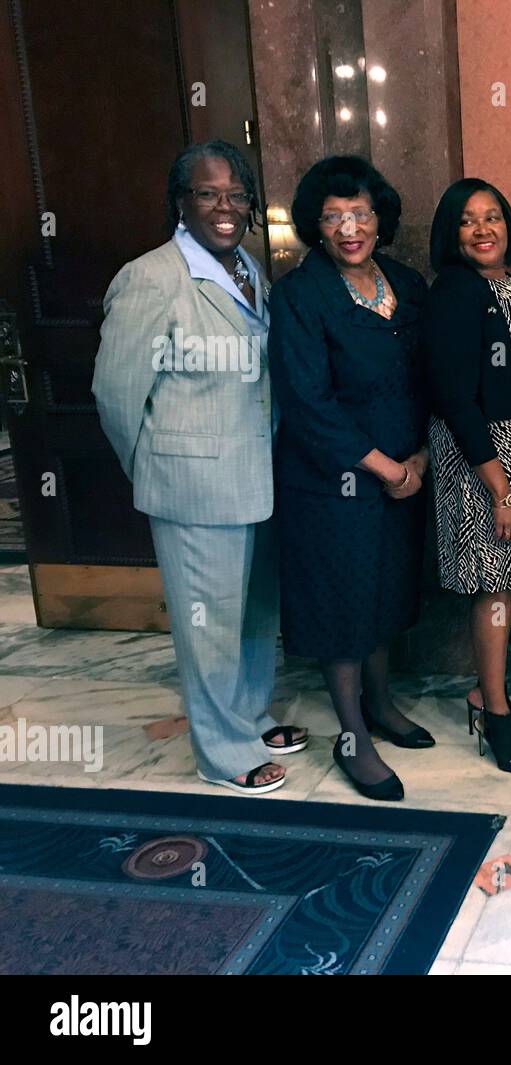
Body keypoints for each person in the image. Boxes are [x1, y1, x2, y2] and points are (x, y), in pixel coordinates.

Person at [93, 139, 306, 795]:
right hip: (191, 486)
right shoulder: (151, 277)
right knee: (208, 623)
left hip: (255, 473)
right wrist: (157, 470)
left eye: (236, 194)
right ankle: (222, 752)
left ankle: (246, 713)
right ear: (181, 203)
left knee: (249, 612)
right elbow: (115, 392)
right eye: (208, 193)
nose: (225, 206)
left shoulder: (245, 264)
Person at [268, 155, 432, 803]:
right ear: (315, 225)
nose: (347, 227)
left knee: (386, 588)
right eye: (332, 216)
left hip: (404, 473)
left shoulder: (406, 283)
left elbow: (427, 378)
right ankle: (352, 734)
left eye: (359, 213)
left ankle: (384, 704)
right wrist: (385, 465)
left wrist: (416, 455)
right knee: (342, 603)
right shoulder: (300, 294)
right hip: (331, 481)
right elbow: (308, 402)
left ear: (378, 217)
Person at [424, 178, 511, 773]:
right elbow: (455, 399)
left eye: (492, 218)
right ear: (450, 234)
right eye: (467, 220)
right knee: (494, 589)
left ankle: (487, 691)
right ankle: (497, 714)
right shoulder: (455, 294)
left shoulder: (509, 286)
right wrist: (500, 487)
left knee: (508, 585)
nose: (483, 229)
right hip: (488, 465)